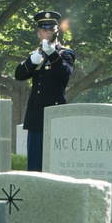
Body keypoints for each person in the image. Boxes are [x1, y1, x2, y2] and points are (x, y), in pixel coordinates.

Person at [14, 10, 75, 172]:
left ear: (57, 32)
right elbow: (19, 75)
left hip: (55, 114)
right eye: (44, 29)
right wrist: (32, 60)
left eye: (51, 29)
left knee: (55, 164)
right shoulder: (36, 54)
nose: (48, 32)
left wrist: (51, 53)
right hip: (36, 116)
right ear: (38, 33)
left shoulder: (65, 54)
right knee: (34, 166)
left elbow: (64, 73)